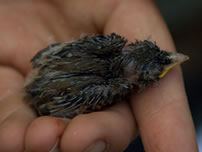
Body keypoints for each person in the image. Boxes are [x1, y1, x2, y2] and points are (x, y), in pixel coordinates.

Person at [0, 0, 198, 151]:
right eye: (158, 74)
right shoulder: (114, 90)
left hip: (46, 72)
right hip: (43, 94)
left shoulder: (112, 43)